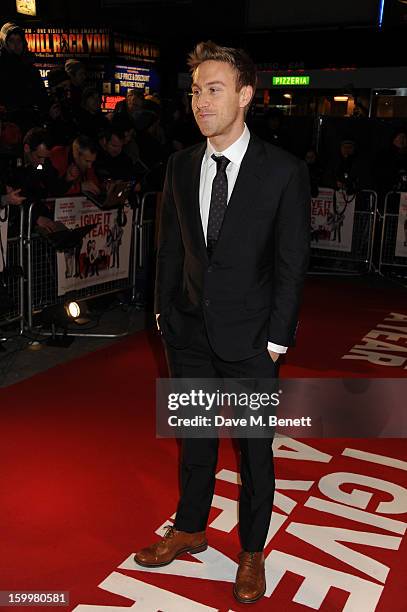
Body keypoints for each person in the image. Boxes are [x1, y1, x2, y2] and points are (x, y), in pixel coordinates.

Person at [134, 41, 310, 604]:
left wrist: (279, 336)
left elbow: (291, 261)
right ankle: (189, 527)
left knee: (254, 449)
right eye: (194, 91)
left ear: (246, 96)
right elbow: (167, 248)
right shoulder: (181, 165)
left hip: (254, 339)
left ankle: (253, 549)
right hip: (187, 333)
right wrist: (163, 311)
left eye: (213, 90)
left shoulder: (283, 172)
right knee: (195, 440)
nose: (200, 102)